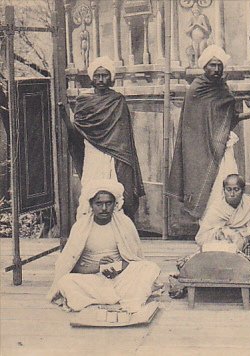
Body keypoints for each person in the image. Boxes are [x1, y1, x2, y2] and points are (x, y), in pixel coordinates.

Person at [167, 45, 250, 220]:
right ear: (204, 66)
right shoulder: (196, 88)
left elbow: (229, 118)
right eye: (212, 65)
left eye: (219, 65)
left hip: (222, 147)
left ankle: (226, 223)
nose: (216, 69)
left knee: (227, 181)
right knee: (208, 187)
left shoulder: (222, 88)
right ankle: (208, 227)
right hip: (202, 150)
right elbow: (193, 125)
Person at [46, 179, 160, 313]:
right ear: (91, 205)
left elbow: (135, 258)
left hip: (120, 278)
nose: (104, 208)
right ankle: (122, 298)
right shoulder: (80, 227)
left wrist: (118, 267)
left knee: (149, 267)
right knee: (66, 282)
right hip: (93, 279)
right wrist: (98, 267)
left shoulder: (125, 223)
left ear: (115, 204)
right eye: (99, 204)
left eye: (108, 203)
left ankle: (110, 300)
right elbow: (70, 266)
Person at [59, 56, 145, 221]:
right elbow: (77, 133)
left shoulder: (118, 100)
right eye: (97, 75)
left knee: (115, 190)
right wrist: (65, 118)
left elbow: (123, 137)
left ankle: (118, 228)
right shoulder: (83, 101)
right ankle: (90, 227)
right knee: (92, 189)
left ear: (111, 77)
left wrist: (121, 157)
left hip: (114, 157)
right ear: (91, 77)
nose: (100, 79)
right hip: (93, 153)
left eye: (105, 75)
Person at [194, 174, 250, 281]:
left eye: (236, 189)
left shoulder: (249, 202)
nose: (232, 194)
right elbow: (202, 237)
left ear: (242, 191)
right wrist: (222, 233)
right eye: (228, 190)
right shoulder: (216, 207)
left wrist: (245, 235)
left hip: (247, 245)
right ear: (223, 190)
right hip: (227, 248)